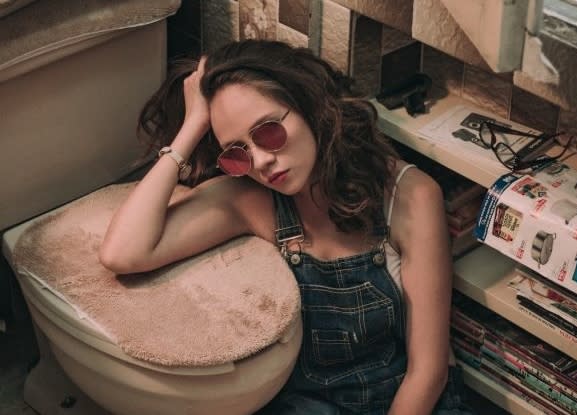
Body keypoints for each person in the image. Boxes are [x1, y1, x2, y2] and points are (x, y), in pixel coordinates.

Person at [99, 39, 473, 415]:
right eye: (237, 152)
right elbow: (124, 252)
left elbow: (428, 373)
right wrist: (192, 126)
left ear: (308, 103)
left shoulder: (409, 196)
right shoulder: (251, 201)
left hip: (407, 399)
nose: (261, 160)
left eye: (268, 131)